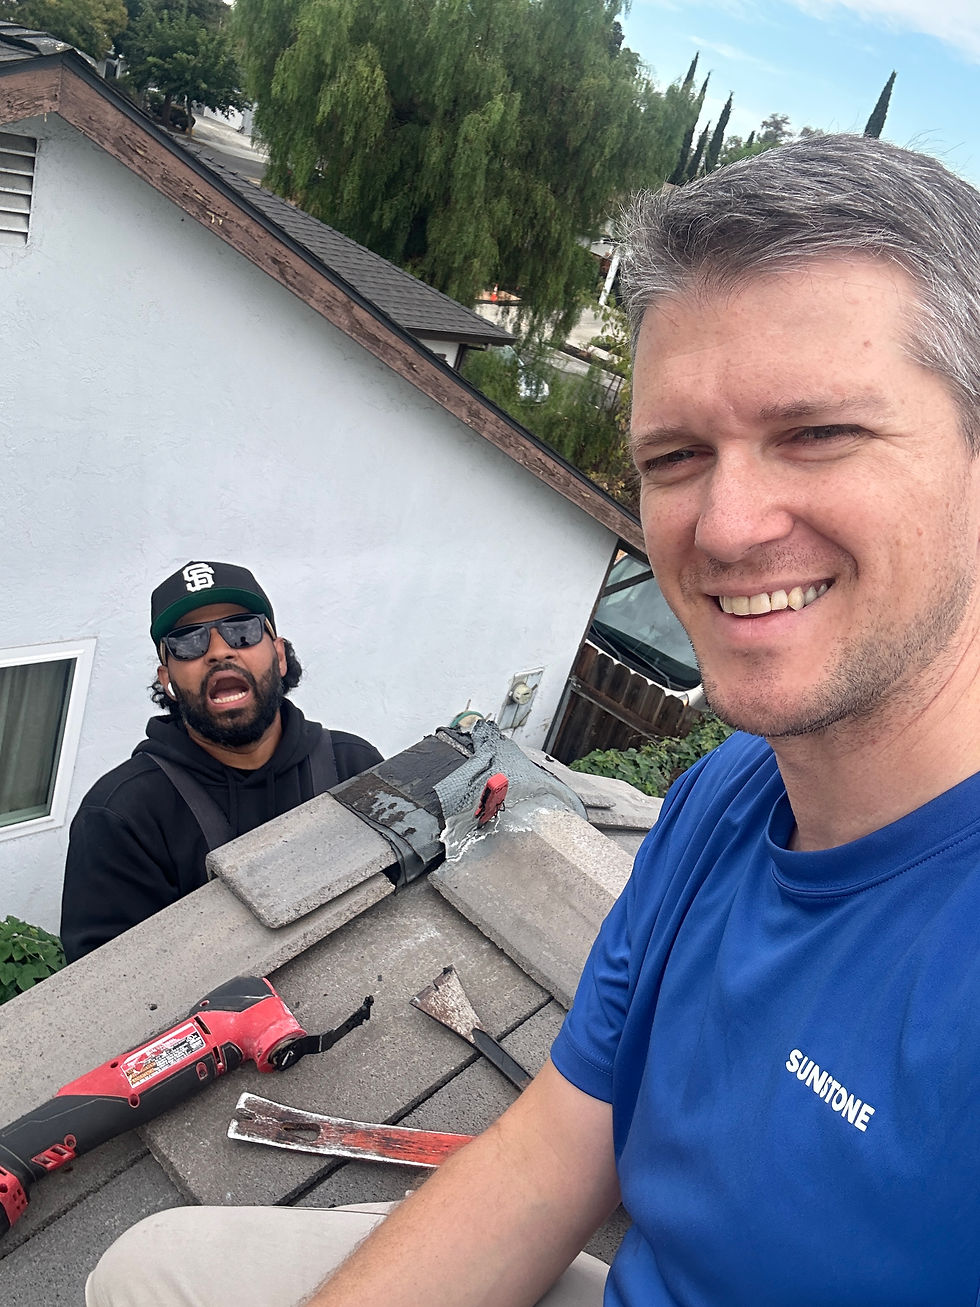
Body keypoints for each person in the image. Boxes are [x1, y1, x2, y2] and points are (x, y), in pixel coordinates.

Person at [87, 132, 980, 1305]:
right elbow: (554, 1148)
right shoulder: (722, 798)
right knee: (148, 1268)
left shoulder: (347, 763)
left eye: (815, 431)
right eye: (673, 454)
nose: (722, 525)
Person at [61, 561, 382, 962]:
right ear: (168, 680)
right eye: (188, 641)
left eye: (242, 631)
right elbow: (109, 991)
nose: (218, 651)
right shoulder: (120, 816)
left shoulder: (354, 765)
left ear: (279, 656)